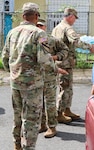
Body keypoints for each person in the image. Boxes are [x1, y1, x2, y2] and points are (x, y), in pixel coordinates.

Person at [2, 2, 57, 149]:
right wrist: (54, 71)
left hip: (15, 83)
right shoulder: (39, 33)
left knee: (17, 116)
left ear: (23, 16)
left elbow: (4, 58)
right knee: (31, 120)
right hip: (32, 85)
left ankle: (17, 145)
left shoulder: (12, 32)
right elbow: (45, 60)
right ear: (36, 16)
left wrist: (14, 73)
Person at [51, 7, 94, 123]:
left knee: (67, 87)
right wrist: (89, 47)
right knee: (65, 88)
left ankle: (66, 110)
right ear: (70, 16)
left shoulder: (56, 28)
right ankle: (59, 113)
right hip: (65, 63)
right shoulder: (67, 28)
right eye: (75, 18)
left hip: (60, 62)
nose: (75, 20)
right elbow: (76, 41)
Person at [36, 19, 69, 138]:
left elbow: (65, 50)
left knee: (49, 102)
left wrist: (55, 57)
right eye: (37, 25)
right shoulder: (33, 40)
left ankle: (52, 127)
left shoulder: (51, 39)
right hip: (36, 76)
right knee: (39, 103)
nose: (39, 27)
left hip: (49, 76)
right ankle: (42, 124)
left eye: (41, 26)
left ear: (45, 27)